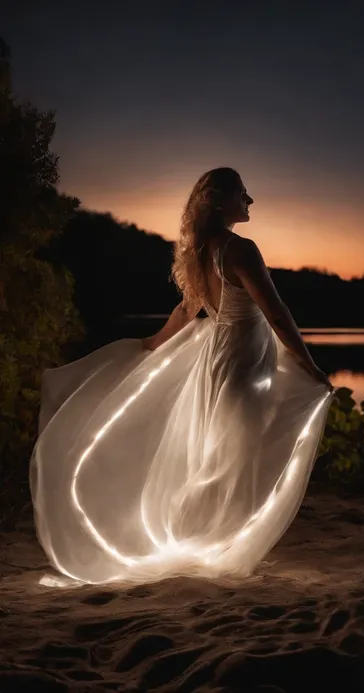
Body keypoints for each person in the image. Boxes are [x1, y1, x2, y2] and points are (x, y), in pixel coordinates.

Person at [30, 167, 335, 585]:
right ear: (217, 199)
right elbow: (277, 314)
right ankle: (199, 539)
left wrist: (154, 344)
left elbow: (185, 310)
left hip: (220, 359)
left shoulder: (200, 251)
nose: (250, 201)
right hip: (242, 362)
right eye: (243, 194)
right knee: (236, 456)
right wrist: (310, 366)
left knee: (227, 454)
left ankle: (210, 540)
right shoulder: (240, 250)